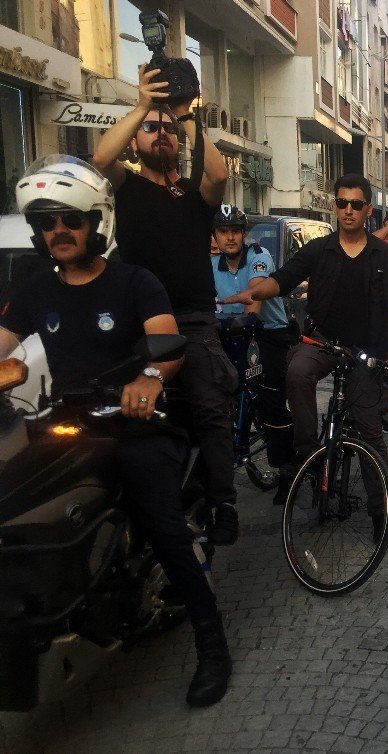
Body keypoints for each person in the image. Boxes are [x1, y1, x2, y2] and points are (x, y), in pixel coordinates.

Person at [0, 155, 231, 706]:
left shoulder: (134, 281)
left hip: (135, 423)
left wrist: (150, 378)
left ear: (94, 222)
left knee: (164, 524)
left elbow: (167, 342)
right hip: (65, 422)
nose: (58, 231)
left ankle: (212, 645)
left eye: (70, 220)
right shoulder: (35, 289)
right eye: (47, 222)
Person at [91, 64, 239, 546]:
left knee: (210, 410)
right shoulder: (127, 186)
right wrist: (142, 106)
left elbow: (219, 173)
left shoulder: (195, 194)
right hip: (138, 328)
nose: (161, 134)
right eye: (151, 129)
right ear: (136, 140)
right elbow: (101, 157)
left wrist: (184, 113)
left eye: (167, 130)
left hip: (192, 323)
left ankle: (222, 502)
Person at [221, 174, 388, 541]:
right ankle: (308, 454)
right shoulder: (320, 249)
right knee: (297, 371)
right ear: (335, 207)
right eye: (342, 203)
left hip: (366, 351)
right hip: (324, 342)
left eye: (356, 204)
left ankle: (381, 514)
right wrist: (254, 292)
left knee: (369, 431)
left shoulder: (382, 255)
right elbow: (283, 279)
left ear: (368, 209)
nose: (348, 210)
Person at [211, 204, 295, 500]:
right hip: (228, 333)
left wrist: (234, 307)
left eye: (235, 231)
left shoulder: (259, 256)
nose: (230, 237)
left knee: (271, 400)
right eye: (223, 231)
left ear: (243, 234)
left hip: (266, 333)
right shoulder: (211, 264)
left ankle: (287, 470)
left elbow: (254, 301)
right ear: (215, 236)